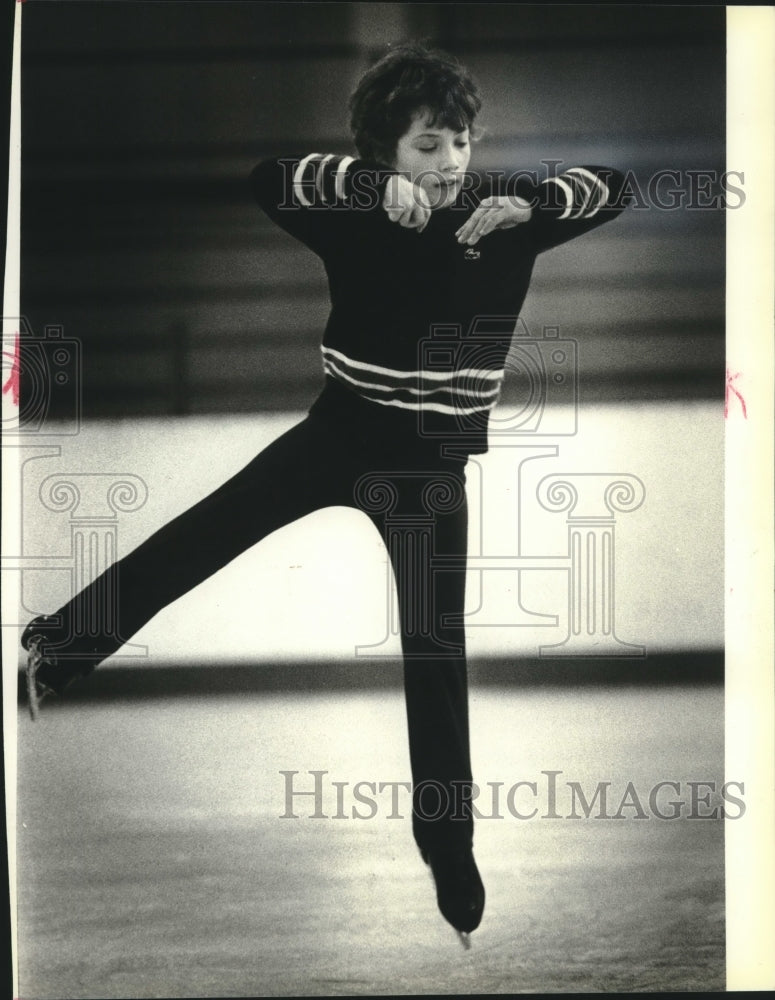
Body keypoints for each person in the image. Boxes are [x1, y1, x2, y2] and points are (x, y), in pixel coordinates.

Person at [21, 42, 626, 943]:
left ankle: (448, 851)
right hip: (338, 434)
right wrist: (354, 183)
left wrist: (530, 199)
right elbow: (268, 177)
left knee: (435, 655)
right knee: (203, 535)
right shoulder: (351, 207)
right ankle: (57, 651)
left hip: (429, 471)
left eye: (458, 142)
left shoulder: (508, 216)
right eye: (426, 147)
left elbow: (613, 184)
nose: (448, 163)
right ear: (388, 150)